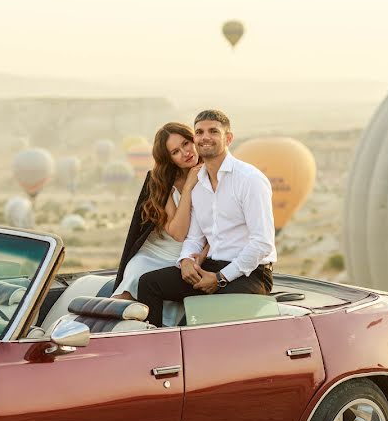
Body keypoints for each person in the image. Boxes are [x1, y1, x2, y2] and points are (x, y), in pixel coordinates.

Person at [137, 109, 276, 327]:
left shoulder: (249, 180)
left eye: (213, 131)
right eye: (199, 132)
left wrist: (221, 277)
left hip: (249, 273)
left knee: (194, 322)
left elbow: (262, 244)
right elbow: (194, 236)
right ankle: (151, 346)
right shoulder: (198, 184)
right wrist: (185, 261)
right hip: (210, 266)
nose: (205, 137)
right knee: (148, 283)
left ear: (228, 138)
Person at [111, 123, 206, 317]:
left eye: (186, 143)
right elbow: (178, 233)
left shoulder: (214, 173)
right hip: (155, 252)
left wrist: (201, 256)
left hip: (188, 254)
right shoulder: (162, 181)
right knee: (128, 291)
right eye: (175, 152)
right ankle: (103, 333)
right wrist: (187, 188)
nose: (186, 153)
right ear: (169, 158)